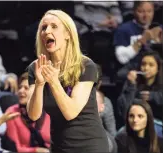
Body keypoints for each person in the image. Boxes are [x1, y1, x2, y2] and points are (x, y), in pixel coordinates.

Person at [27, 9, 109, 153]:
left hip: (90, 146)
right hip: (59, 146)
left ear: (68, 34)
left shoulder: (85, 66)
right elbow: (34, 115)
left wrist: (53, 82)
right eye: (43, 28)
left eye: (54, 26)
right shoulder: (36, 68)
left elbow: (71, 112)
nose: (47, 31)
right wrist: (40, 84)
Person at [113, 1, 162, 81]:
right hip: (133, 68)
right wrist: (141, 41)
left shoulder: (158, 29)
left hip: (155, 68)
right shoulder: (124, 29)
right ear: (134, 11)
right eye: (141, 11)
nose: (146, 15)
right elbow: (121, 58)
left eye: (149, 11)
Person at [117, 51, 163, 131]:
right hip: (135, 124)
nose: (146, 68)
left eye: (151, 65)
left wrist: (153, 96)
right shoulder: (132, 82)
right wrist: (131, 86)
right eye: (143, 64)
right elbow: (125, 110)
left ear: (158, 69)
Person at [5, 72, 50, 152]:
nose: (21, 91)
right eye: (20, 87)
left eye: (26, 88)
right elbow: (15, 148)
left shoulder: (49, 111)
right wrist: (37, 150)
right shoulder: (12, 112)